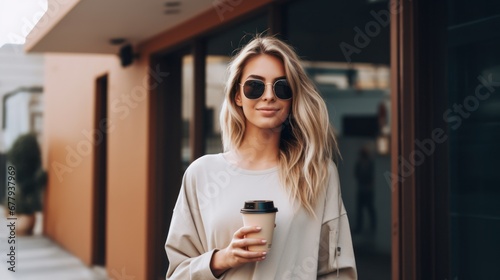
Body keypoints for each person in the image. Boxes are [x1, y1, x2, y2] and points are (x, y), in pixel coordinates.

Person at [165, 35, 357, 279]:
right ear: (237, 96)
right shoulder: (201, 174)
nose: (268, 96)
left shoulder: (316, 173)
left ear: (292, 98)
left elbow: (337, 270)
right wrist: (222, 259)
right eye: (254, 86)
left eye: (281, 87)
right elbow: (176, 273)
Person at [353, 146, 376, 234]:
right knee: (360, 210)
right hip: (362, 189)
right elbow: (356, 174)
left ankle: (372, 227)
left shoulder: (370, 163)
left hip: (368, 190)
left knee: (370, 208)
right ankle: (360, 227)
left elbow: (371, 176)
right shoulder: (360, 163)